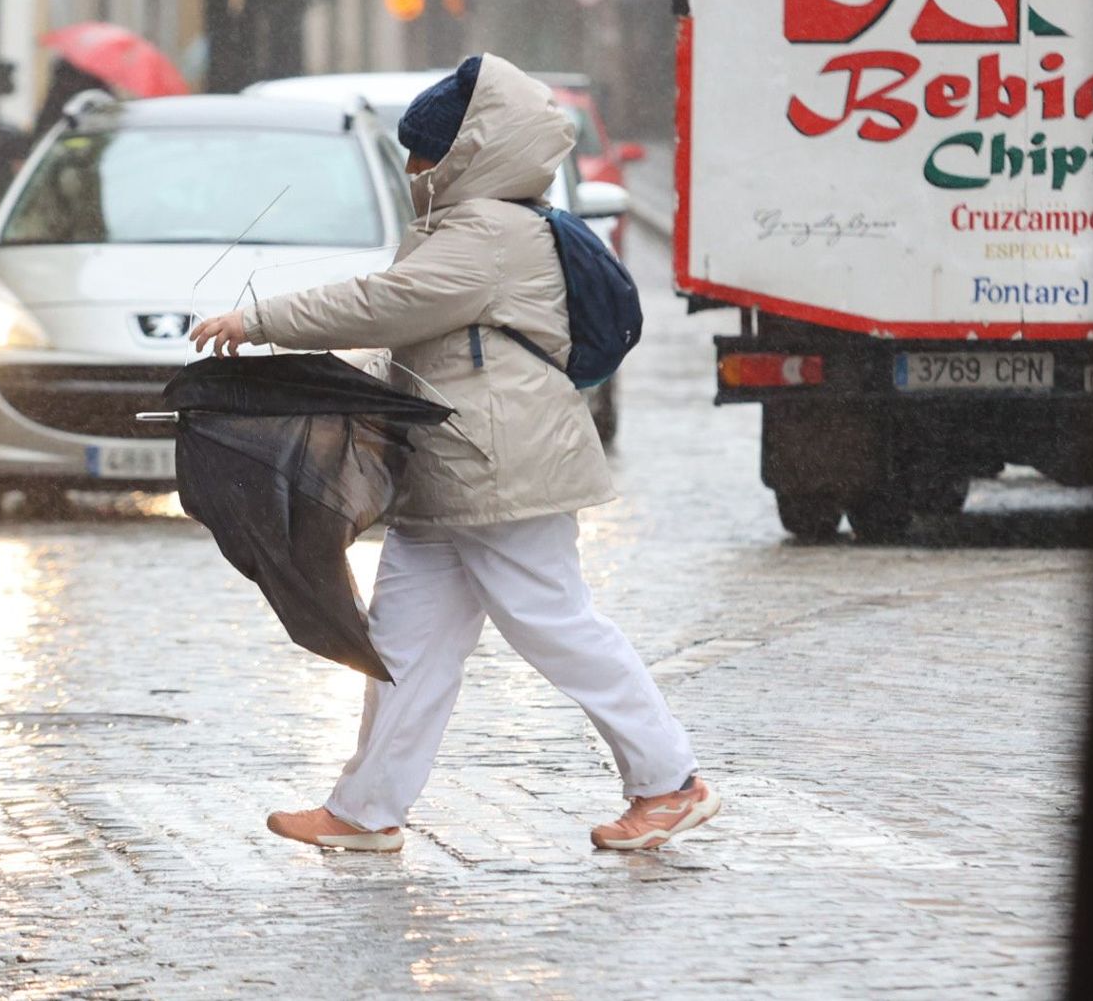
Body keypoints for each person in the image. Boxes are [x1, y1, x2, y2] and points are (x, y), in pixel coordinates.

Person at [190, 53, 717, 852]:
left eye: (423, 150)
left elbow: (387, 303)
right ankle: (366, 811)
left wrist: (259, 318)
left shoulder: (490, 231)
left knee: (554, 623)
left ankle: (670, 781)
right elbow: (430, 344)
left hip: (503, 468)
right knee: (404, 642)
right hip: (454, 466)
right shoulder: (466, 229)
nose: (411, 166)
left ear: (464, 154)